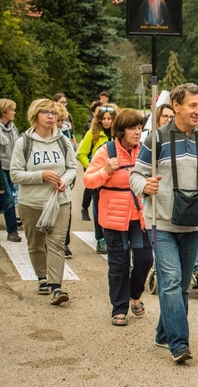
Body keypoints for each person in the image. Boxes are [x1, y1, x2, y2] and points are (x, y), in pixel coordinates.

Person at [130, 83, 198, 364]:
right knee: (171, 282)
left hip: (193, 224)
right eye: (193, 105)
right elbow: (135, 176)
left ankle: (164, 333)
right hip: (161, 223)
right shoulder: (157, 139)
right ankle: (179, 343)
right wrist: (146, 186)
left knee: (184, 286)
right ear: (176, 106)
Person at [83, 109, 152, 326]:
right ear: (121, 130)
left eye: (140, 128)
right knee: (119, 264)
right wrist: (105, 170)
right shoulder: (107, 151)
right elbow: (88, 180)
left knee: (144, 259)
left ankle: (135, 294)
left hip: (139, 215)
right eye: (133, 128)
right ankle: (119, 308)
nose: (138, 132)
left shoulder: (145, 152)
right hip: (114, 217)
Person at [10, 99, 77, 303]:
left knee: (56, 243)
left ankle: (56, 287)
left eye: (54, 113)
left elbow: (72, 168)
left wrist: (64, 181)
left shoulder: (63, 141)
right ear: (35, 115)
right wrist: (42, 176)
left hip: (59, 201)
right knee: (36, 243)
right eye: (46, 112)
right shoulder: (24, 142)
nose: (50, 116)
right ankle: (42, 279)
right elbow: (15, 174)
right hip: (31, 202)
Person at [77, 102, 117, 256]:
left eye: (109, 119)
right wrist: (91, 167)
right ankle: (100, 238)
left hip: (113, 176)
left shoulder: (117, 135)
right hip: (99, 177)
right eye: (104, 119)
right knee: (98, 207)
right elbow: (81, 153)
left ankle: (112, 235)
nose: (106, 121)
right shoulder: (92, 134)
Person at [0, 98, 21, 243]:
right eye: (11, 110)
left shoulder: (12, 128)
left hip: (11, 169)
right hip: (0, 170)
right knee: (8, 199)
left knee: (8, 199)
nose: (14, 112)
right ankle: (12, 231)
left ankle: (12, 229)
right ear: (3, 112)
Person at [56, 108, 75, 258]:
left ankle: (65, 243)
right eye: (58, 120)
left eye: (62, 120)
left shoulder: (65, 131)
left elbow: (72, 159)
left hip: (64, 179)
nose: (60, 124)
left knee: (66, 209)